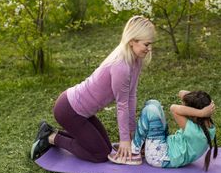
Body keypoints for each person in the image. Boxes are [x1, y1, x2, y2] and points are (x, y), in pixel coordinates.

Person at [30, 15, 156, 163]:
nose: (149, 49)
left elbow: (131, 96)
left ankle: (49, 131)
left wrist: (131, 132)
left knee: (105, 146)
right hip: (69, 110)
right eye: (146, 44)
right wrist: (124, 140)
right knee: (100, 154)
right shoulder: (121, 66)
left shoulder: (135, 61)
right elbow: (122, 104)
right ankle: (51, 138)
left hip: (84, 113)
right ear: (132, 41)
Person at [109, 90, 217, 170]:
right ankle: (142, 147)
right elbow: (181, 93)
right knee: (153, 103)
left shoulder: (196, 133)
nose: (185, 111)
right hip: (165, 145)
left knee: (150, 110)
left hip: (160, 157)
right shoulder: (208, 126)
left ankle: (133, 154)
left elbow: (174, 109)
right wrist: (201, 103)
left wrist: (200, 112)